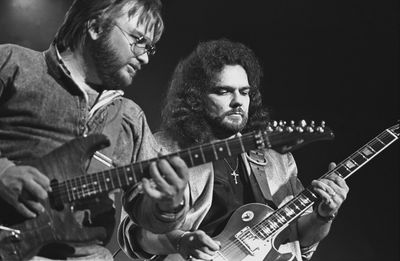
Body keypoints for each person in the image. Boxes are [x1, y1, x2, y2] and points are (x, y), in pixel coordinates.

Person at [118, 39, 350, 261]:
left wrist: (322, 216)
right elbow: (137, 233)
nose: (238, 101)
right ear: (195, 98)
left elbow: (298, 238)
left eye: (245, 92)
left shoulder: (277, 159)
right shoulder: (163, 148)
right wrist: (182, 241)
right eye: (224, 91)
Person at [0, 0, 188, 260]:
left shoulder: (130, 118)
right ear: (96, 26)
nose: (144, 57)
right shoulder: (13, 63)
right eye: (138, 40)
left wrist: (169, 204)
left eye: (150, 48)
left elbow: (146, 216)